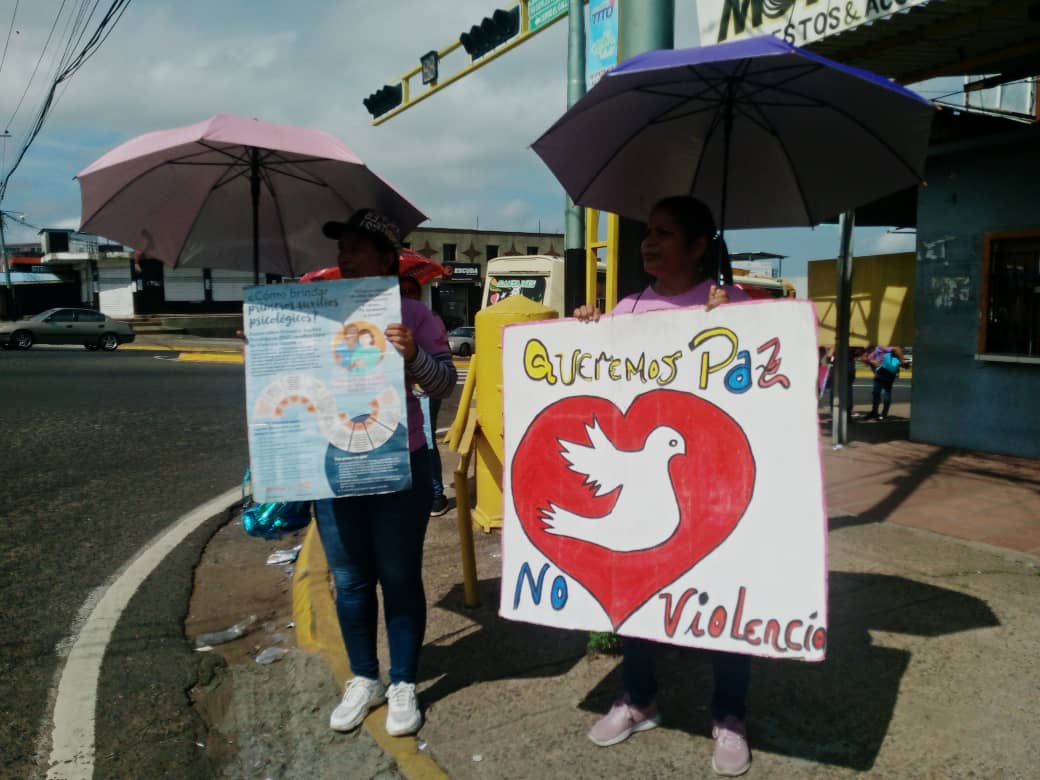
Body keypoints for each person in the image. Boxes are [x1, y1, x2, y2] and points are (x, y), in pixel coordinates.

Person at [573, 195, 754, 777]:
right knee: (640, 592)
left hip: (719, 489)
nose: (649, 243)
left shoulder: (741, 306)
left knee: (728, 600)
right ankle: (638, 697)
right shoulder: (626, 309)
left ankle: (729, 715)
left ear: (701, 246)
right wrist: (584, 334)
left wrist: (739, 325)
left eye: (665, 234)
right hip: (652, 494)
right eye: (647, 232)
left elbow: (786, 387)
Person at [314, 208, 456, 737]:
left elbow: (444, 385)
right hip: (332, 465)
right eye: (340, 249)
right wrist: (267, 346)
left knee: (398, 578)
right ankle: (363, 677)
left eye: (354, 248)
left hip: (401, 464)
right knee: (351, 581)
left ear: (385, 258)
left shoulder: (414, 316)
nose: (343, 258)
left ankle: (402, 681)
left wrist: (414, 356)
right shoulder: (318, 312)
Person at [399, 274, 451, 516]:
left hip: (425, 392)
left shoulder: (428, 318)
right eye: (402, 291)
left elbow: (443, 369)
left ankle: (436, 494)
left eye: (412, 291)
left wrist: (414, 363)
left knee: (428, 440)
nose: (407, 296)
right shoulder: (386, 319)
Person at [861, 344, 903, 420]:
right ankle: (875, 412)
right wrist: (872, 361)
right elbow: (863, 358)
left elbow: (897, 349)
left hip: (886, 372)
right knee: (876, 393)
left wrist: (902, 361)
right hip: (878, 373)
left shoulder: (881, 346)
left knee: (886, 392)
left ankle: (883, 414)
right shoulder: (869, 348)